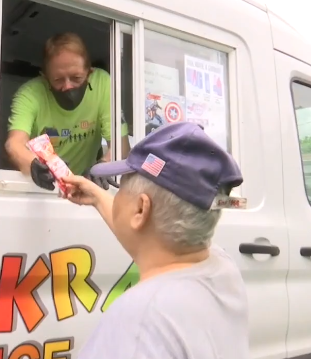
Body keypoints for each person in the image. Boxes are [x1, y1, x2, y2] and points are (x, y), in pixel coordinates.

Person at [62, 122, 250, 359]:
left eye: (120, 187)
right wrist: (98, 196)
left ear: (141, 208)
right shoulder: (222, 268)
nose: (115, 195)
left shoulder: (139, 320)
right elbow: (149, 235)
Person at [5, 32, 131, 191]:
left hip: (84, 186)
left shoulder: (103, 84)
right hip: (42, 187)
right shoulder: (29, 95)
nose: (68, 86)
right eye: (58, 80)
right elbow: (14, 144)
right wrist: (33, 165)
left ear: (89, 73)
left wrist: (103, 168)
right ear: (45, 78)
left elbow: (121, 145)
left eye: (76, 77)